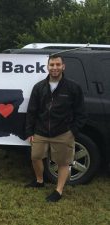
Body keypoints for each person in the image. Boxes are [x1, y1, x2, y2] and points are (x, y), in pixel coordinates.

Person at [25, 54, 87, 202]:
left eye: (58, 65)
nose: (55, 68)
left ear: (63, 67)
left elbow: (81, 113)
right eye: (52, 65)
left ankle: (58, 191)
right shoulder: (39, 87)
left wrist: (73, 131)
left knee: (63, 162)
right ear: (47, 67)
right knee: (35, 157)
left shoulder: (73, 87)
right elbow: (32, 111)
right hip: (40, 131)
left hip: (63, 132)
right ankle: (39, 181)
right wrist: (29, 131)